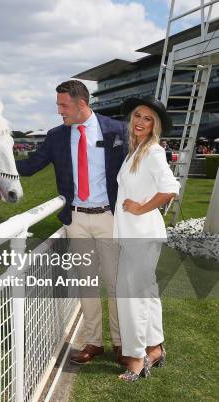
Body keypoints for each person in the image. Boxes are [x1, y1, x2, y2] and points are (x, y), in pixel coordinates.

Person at [15, 80, 128, 365]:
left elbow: (136, 167)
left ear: (81, 104)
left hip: (110, 218)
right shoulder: (56, 136)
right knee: (87, 283)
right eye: (58, 105)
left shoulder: (116, 130)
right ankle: (93, 342)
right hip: (76, 219)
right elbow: (29, 167)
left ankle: (121, 342)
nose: (59, 111)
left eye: (63, 105)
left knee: (116, 285)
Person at [115, 97, 180, 382]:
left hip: (142, 236)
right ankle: (155, 349)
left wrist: (141, 207)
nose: (140, 122)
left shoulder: (153, 151)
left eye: (148, 119)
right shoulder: (136, 151)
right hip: (135, 236)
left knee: (132, 297)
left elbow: (170, 188)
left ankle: (137, 359)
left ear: (155, 126)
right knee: (146, 295)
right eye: (138, 116)